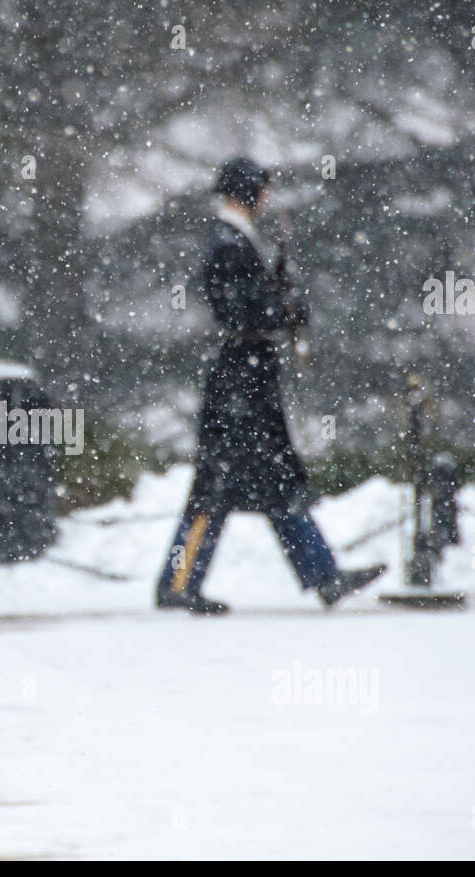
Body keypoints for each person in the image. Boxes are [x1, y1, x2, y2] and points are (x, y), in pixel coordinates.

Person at [155, 157, 384, 614]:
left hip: (251, 374)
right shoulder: (228, 242)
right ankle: (178, 582)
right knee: (216, 486)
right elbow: (237, 311)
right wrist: (283, 309)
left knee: (277, 482)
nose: (266, 197)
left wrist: (279, 298)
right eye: (261, 189)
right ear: (246, 192)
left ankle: (324, 575)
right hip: (239, 378)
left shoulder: (239, 239)